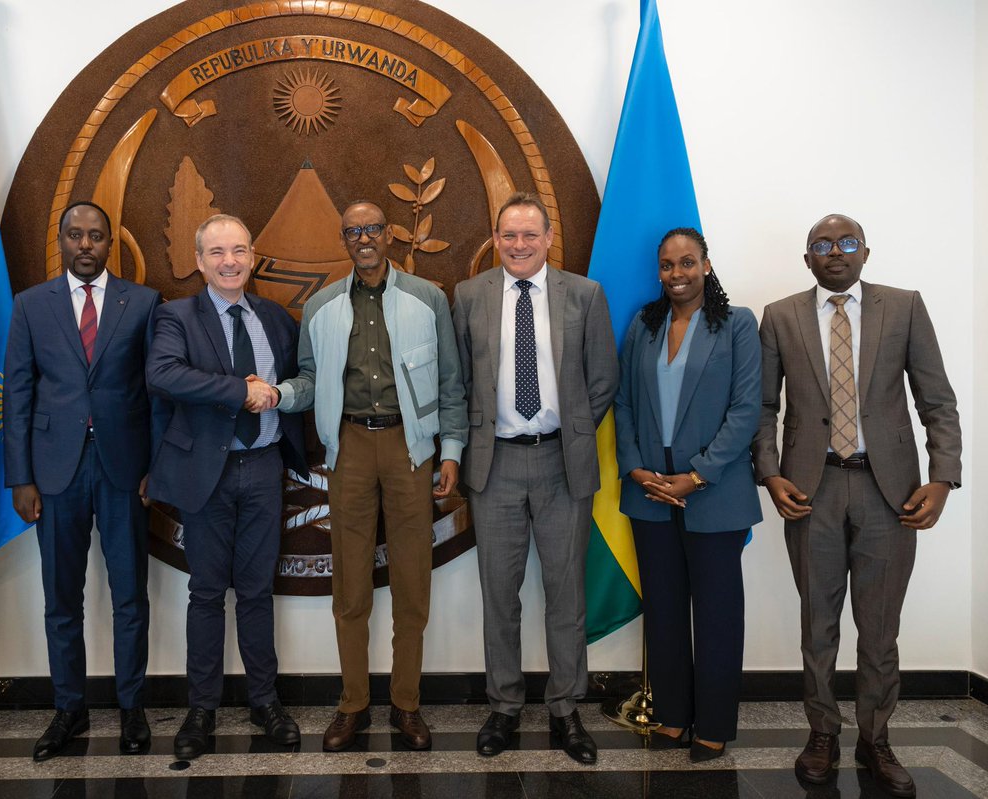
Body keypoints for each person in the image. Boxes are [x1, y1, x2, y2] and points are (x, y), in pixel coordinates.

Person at [753, 214, 961, 798]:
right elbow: (764, 408)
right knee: (817, 625)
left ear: (866, 252)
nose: (835, 253)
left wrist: (943, 478)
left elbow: (938, 402)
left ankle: (876, 738)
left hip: (888, 492)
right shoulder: (781, 316)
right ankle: (821, 734)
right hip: (810, 491)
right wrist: (769, 474)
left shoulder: (904, 307)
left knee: (879, 628)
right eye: (822, 245)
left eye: (846, 243)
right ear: (808, 259)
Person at [273, 200, 467, 752]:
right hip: (349, 448)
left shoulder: (428, 299)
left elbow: (451, 385)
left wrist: (450, 451)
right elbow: (309, 380)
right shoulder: (322, 306)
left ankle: (406, 705)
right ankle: (352, 705)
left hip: (412, 448)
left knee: (412, 584)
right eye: (353, 231)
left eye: (373, 228)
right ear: (345, 240)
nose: (364, 238)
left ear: (390, 235)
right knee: (351, 586)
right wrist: (281, 395)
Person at [452, 192, 617, 764]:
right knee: (499, 593)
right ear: (495, 240)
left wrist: (568, 431)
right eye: (508, 236)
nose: (518, 245)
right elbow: (461, 382)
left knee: (566, 594)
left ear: (549, 239)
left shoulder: (586, 295)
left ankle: (566, 708)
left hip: (560, 465)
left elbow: (603, 379)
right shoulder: (469, 295)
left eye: (529, 235)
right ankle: (504, 705)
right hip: (493, 465)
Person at [3, 201, 164, 761]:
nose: (86, 245)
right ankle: (68, 709)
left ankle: (132, 707)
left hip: (124, 468)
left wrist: (155, 466)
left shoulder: (142, 302)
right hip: (54, 471)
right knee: (60, 600)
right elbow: (18, 392)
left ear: (109, 243)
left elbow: (155, 391)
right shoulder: (31, 306)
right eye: (76, 235)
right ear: (62, 241)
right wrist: (19, 477)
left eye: (96, 236)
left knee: (130, 598)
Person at [146, 214, 308, 760]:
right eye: (216, 252)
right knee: (207, 594)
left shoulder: (276, 319)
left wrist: (278, 396)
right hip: (205, 473)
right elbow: (163, 375)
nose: (229, 261)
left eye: (238, 250)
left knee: (258, 593)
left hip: (263, 468)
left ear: (253, 255)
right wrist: (238, 391)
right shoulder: (175, 316)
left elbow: (292, 383)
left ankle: (266, 701)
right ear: (199, 261)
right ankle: (201, 708)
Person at [614, 227, 761, 762]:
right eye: (668, 265)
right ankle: (673, 716)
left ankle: (714, 724)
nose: (678, 274)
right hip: (650, 490)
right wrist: (635, 470)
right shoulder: (644, 325)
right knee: (666, 611)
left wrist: (696, 476)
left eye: (687, 263)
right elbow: (623, 403)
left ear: (706, 265)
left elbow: (746, 410)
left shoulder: (737, 324)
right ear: (659, 271)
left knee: (718, 613)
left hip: (713, 491)